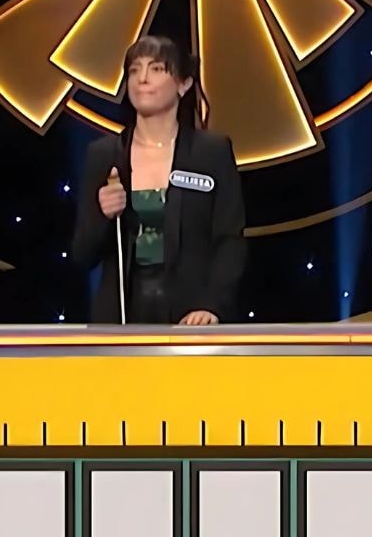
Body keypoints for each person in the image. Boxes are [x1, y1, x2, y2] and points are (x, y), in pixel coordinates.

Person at [68, 35, 245, 325]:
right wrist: (103, 214)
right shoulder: (104, 155)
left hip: (191, 322)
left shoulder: (211, 153)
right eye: (134, 70)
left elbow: (229, 240)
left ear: (183, 84)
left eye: (157, 69)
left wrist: (213, 306)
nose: (142, 79)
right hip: (121, 324)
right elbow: (82, 254)